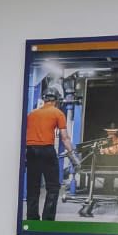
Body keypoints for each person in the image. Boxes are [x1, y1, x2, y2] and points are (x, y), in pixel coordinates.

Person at [23, 91, 78, 220]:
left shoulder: (31, 114)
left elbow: (24, 135)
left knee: (32, 186)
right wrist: (73, 157)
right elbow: (64, 138)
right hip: (47, 151)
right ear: (56, 101)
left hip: (30, 151)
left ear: (44, 100)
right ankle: (47, 219)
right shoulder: (58, 113)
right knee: (53, 187)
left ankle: (32, 218)